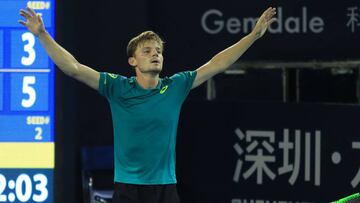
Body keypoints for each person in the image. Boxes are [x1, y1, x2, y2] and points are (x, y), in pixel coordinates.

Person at [19, 6, 276, 203]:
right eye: (147, 51)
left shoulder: (176, 86)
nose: (155, 54)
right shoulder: (117, 87)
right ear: (132, 61)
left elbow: (217, 63)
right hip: (127, 189)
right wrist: (42, 35)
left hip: (165, 188)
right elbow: (73, 68)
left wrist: (253, 36)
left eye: (158, 51)